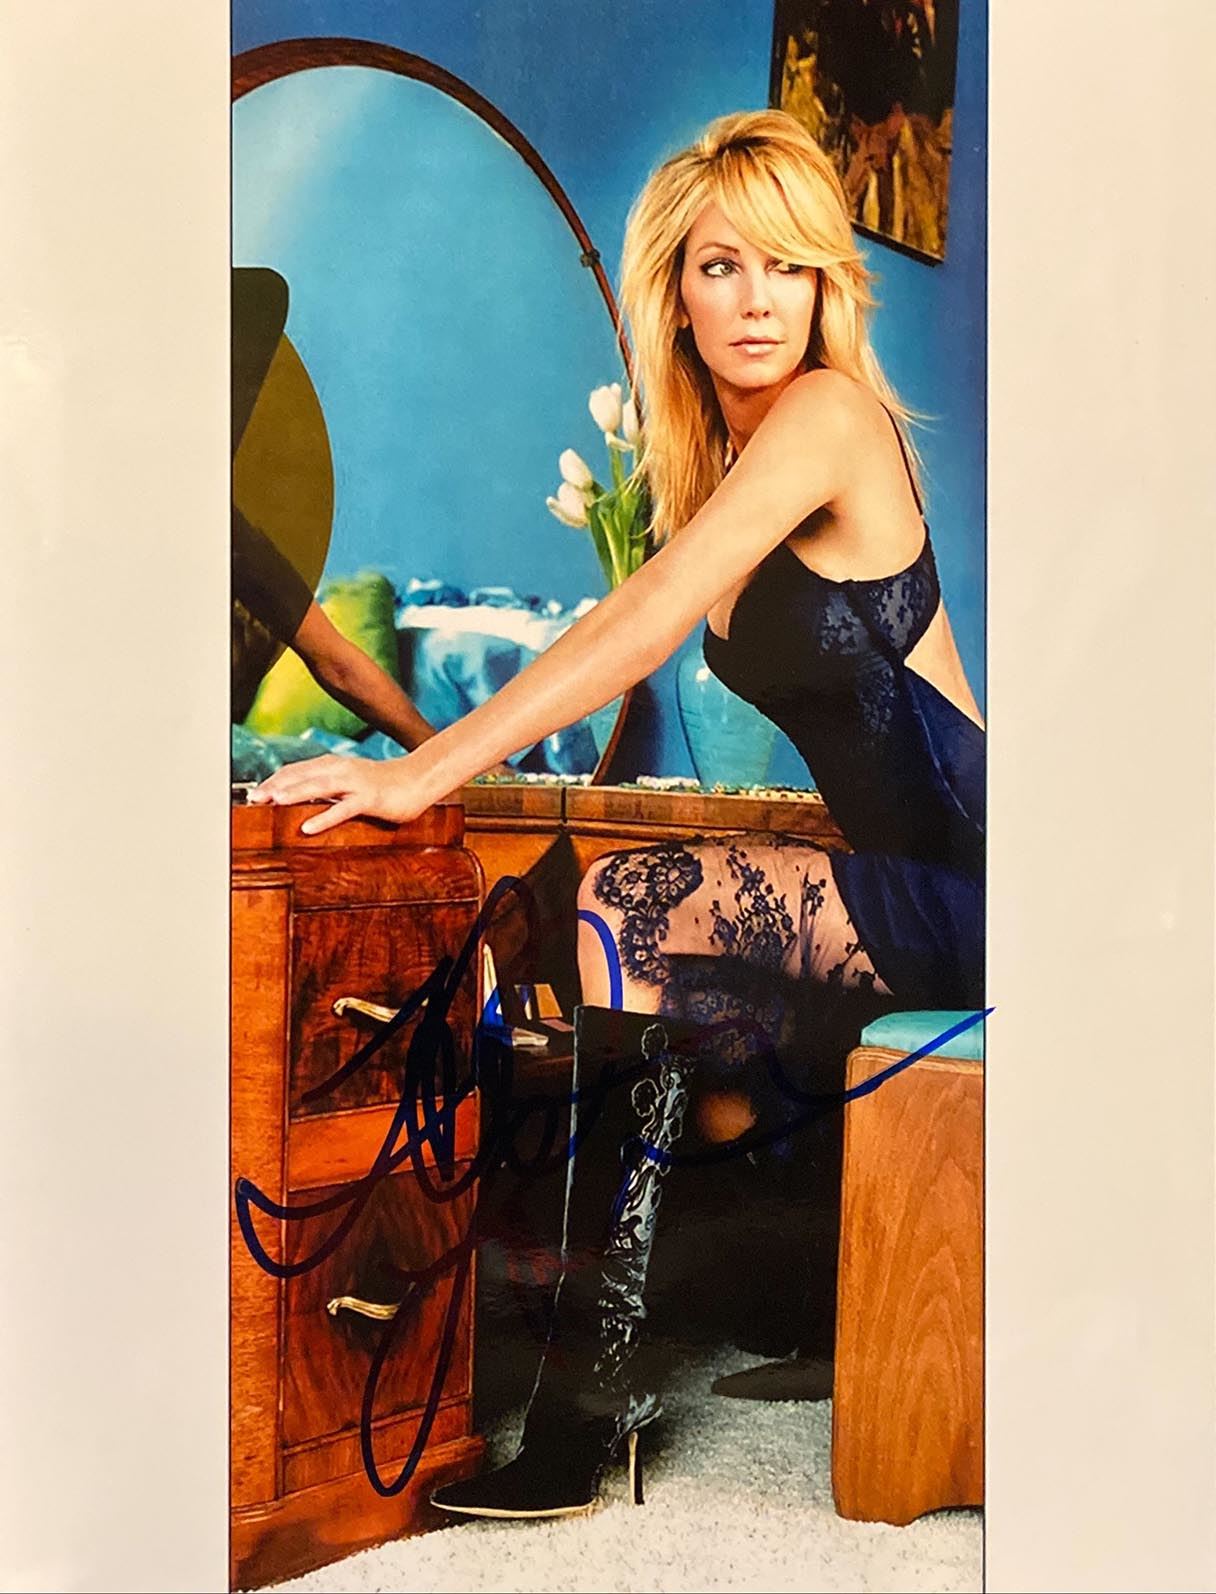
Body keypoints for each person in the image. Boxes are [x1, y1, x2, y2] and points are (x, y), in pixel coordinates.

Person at [250, 108, 984, 1517]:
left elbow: (641, 619)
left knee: (628, 904)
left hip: (990, 882)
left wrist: (418, 770)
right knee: (639, 933)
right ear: (677, 294)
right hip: (908, 885)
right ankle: (710, 1330)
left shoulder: (833, 416)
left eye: (789, 265)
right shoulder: (714, 468)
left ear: (826, 285)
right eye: (723, 266)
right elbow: (646, 667)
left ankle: (589, 1404)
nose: (759, 299)